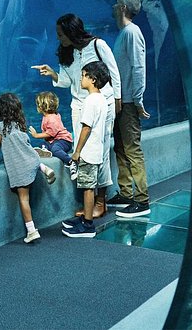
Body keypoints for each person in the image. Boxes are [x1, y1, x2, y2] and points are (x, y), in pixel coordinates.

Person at [31, 13, 121, 219]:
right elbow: (66, 81)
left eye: (61, 34)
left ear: (72, 31)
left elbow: (114, 73)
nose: (59, 38)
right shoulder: (66, 52)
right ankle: (89, 202)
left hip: (101, 102)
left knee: (100, 151)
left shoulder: (98, 45)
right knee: (83, 154)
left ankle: (100, 201)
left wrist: (117, 101)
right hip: (79, 106)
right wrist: (52, 73)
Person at [0, 92, 56, 243]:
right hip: (32, 160)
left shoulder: (1, 127)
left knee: (24, 198)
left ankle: (31, 230)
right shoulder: (19, 125)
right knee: (33, 159)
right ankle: (44, 168)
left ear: (0, 109)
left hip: (21, 168)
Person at [109, 0, 152, 218]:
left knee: (132, 149)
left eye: (117, 4)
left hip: (128, 102)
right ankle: (126, 193)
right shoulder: (124, 33)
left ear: (124, 7)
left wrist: (138, 99)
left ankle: (142, 200)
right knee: (121, 147)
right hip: (120, 102)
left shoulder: (132, 33)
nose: (114, 6)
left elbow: (138, 68)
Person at [61, 61, 111, 238]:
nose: (81, 78)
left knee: (88, 188)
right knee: (87, 186)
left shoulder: (90, 100)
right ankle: (84, 220)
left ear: (93, 79)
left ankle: (88, 225)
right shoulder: (102, 99)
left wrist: (77, 151)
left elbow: (86, 128)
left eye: (83, 75)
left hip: (88, 152)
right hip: (96, 150)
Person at [28, 91, 75, 175]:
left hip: (64, 141)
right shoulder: (47, 116)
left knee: (55, 149)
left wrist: (36, 135)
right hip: (54, 141)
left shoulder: (52, 118)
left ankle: (70, 162)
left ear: (41, 106)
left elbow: (50, 133)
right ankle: (45, 150)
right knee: (44, 144)